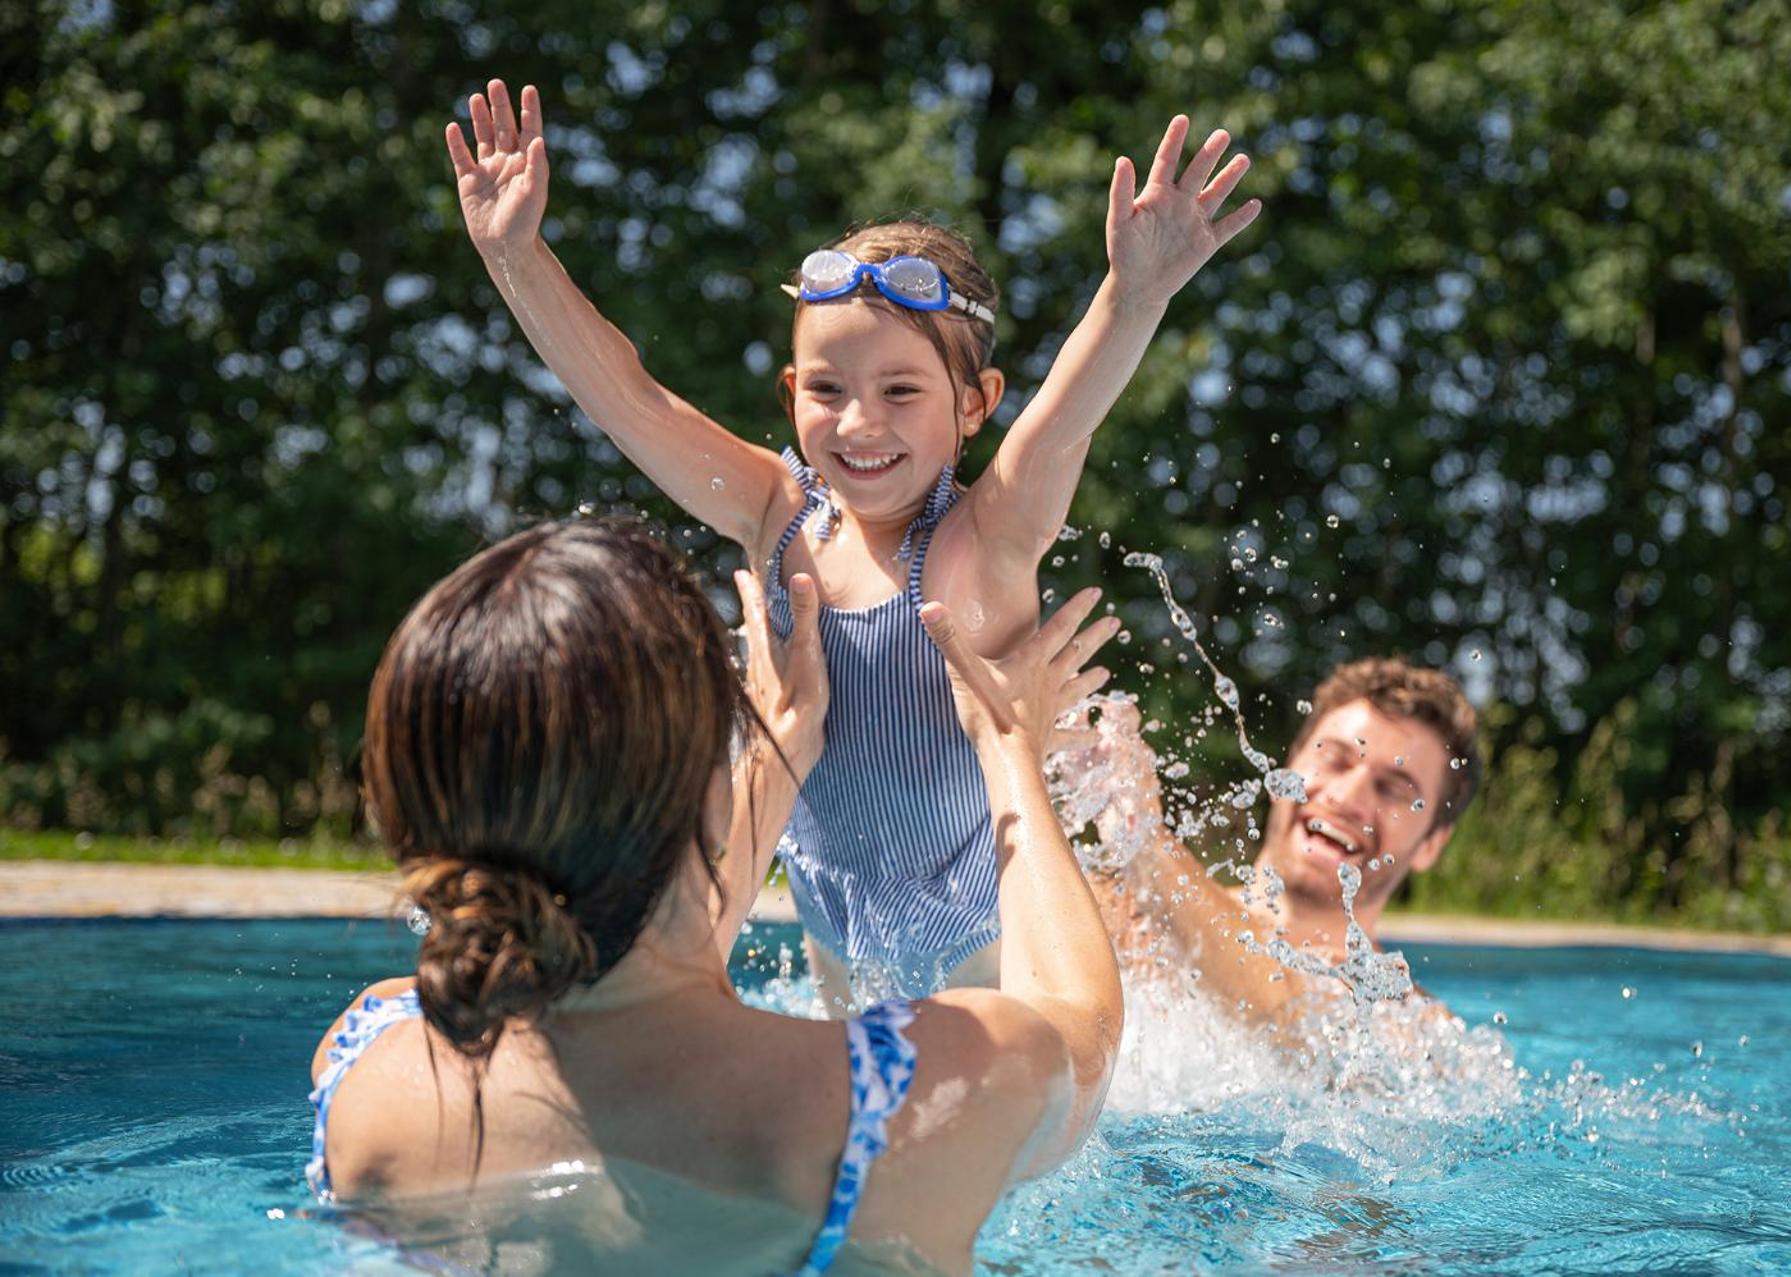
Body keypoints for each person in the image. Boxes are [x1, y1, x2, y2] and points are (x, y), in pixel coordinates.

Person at [445, 79, 1260, 1003]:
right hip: (839, 939)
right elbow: (630, 398)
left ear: (976, 405)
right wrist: (516, 255)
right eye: (828, 389)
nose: (859, 422)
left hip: (985, 956)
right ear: (792, 390)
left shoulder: (984, 537)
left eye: (902, 391)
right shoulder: (774, 512)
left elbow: (1064, 424)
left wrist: (1134, 291)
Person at [305, 518, 1125, 1274]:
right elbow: (1079, 1019)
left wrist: (785, 739)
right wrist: (1009, 744)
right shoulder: (897, 1105)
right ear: (710, 793)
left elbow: (626, 946)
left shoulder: (368, 1068)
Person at [1056, 658, 1482, 1038]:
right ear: (1288, 766)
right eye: (1334, 760)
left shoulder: (1407, 1023)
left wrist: (1144, 839)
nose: (1347, 798)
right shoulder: (1115, 912)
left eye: (1392, 790)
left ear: (1431, 845)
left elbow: (1287, 1012)